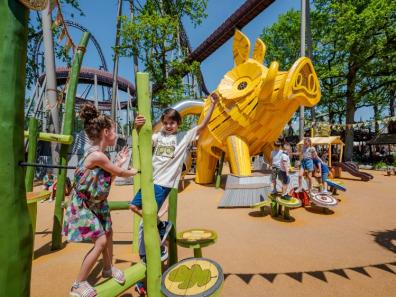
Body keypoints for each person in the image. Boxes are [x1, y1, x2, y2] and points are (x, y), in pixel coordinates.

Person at [129, 92, 219, 295]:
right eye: (166, 122)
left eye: (173, 123)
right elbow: (140, 137)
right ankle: (162, 228)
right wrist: (136, 125)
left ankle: (155, 247)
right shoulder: (157, 137)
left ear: (178, 124)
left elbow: (202, 125)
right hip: (150, 181)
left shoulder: (182, 137)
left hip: (164, 183)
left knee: (145, 221)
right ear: (162, 123)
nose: (169, 126)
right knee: (134, 208)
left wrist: (212, 104)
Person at [63, 103, 138, 297]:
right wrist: (134, 170)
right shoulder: (96, 155)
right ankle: (78, 284)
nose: (116, 134)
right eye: (114, 130)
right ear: (106, 132)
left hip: (98, 203)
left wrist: (119, 163)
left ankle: (107, 268)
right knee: (101, 241)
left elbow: (109, 178)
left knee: (109, 232)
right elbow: (120, 173)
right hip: (85, 205)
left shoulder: (102, 156)